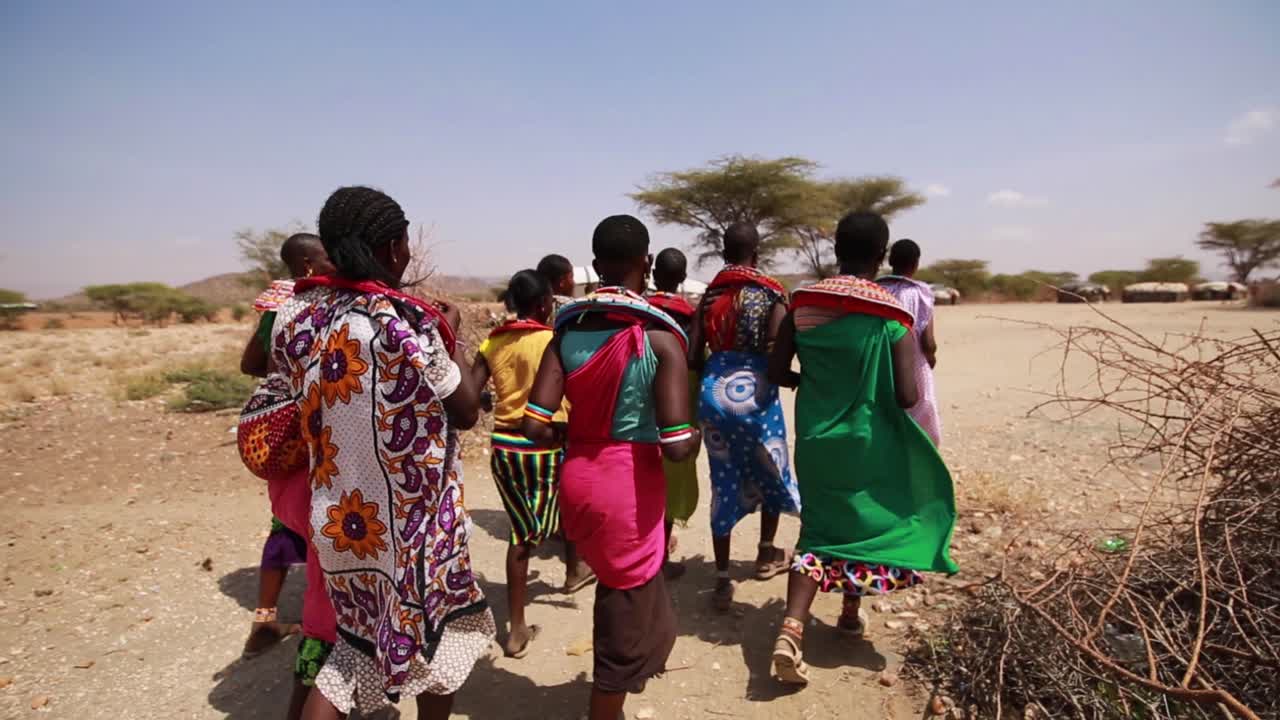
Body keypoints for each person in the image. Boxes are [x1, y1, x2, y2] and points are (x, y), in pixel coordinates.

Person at [275, 186, 494, 720]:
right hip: (417, 525)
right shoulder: (405, 323)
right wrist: (450, 334)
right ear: (395, 247)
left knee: (351, 654)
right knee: (441, 639)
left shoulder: (295, 315)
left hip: (342, 522)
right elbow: (466, 410)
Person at [766, 212, 957, 687]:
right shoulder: (892, 318)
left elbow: (775, 371)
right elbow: (909, 396)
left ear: (836, 250)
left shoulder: (802, 306)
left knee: (818, 526)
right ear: (882, 255)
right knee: (863, 522)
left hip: (816, 440)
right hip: (868, 443)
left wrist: (808, 381)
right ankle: (849, 614)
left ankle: (791, 629)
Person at [523, 215, 699, 720]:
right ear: (647, 262)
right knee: (624, 605)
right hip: (629, 488)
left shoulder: (566, 333)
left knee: (626, 589)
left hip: (578, 478)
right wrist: (698, 433)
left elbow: (534, 425)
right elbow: (677, 447)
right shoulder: (660, 339)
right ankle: (606, 706)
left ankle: (623, 682)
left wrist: (572, 437)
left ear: (596, 265)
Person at [471, 269, 596, 659]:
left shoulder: (493, 341)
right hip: (544, 444)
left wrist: (490, 399)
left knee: (522, 527)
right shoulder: (552, 341)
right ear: (544, 304)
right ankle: (518, 628)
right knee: (534, 530)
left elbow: (472, 395)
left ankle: (570, 575)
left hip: (504, 448)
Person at [688, 222, 800, 612]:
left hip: (715, 395)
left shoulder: (709, 295)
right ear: (757, 253)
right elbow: (775, 349)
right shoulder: (771, 292)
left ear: (723, 252)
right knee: (771, 466)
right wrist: (793, 378)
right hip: (756, 392)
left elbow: (692, 354)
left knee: (724, 480)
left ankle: (722, 578)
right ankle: (766, 554)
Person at [239, 234, 334, 653]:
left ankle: (265, 618)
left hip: (281, 430)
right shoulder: (308, 305)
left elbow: (250, 363)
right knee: (322, 522)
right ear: (308, 264)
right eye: (327, 257)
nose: (335, 262)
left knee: (285, 521)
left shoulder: (277, 305)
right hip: (304, 428)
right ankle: (325, 626)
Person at [646, 248, 700, 580]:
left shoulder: (639, 310)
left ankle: (645, 551)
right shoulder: (690, 316)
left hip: (641, 402)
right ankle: (660, 557)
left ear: (654, 275)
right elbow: (694, 359)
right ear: (682, 278)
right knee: (671, 475)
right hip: (679, 400)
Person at [877, 239, 942, 445]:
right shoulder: (921, 292)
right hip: (914, 366)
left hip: (881, 363)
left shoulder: (875, 289)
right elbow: (928, 341)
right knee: (921, 411)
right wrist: (930, 357)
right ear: (916, 264)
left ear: (890, 261)